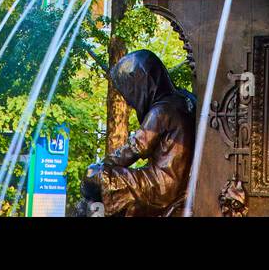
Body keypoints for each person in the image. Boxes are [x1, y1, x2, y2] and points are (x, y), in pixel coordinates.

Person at [80, 50, 195, 217]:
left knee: (93, 175)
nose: (130, 102)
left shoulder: (161, 111)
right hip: (175, 183)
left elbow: (133, 149)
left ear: (141, 85)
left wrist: (102, 166)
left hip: (160, 187)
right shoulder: (183, 100)